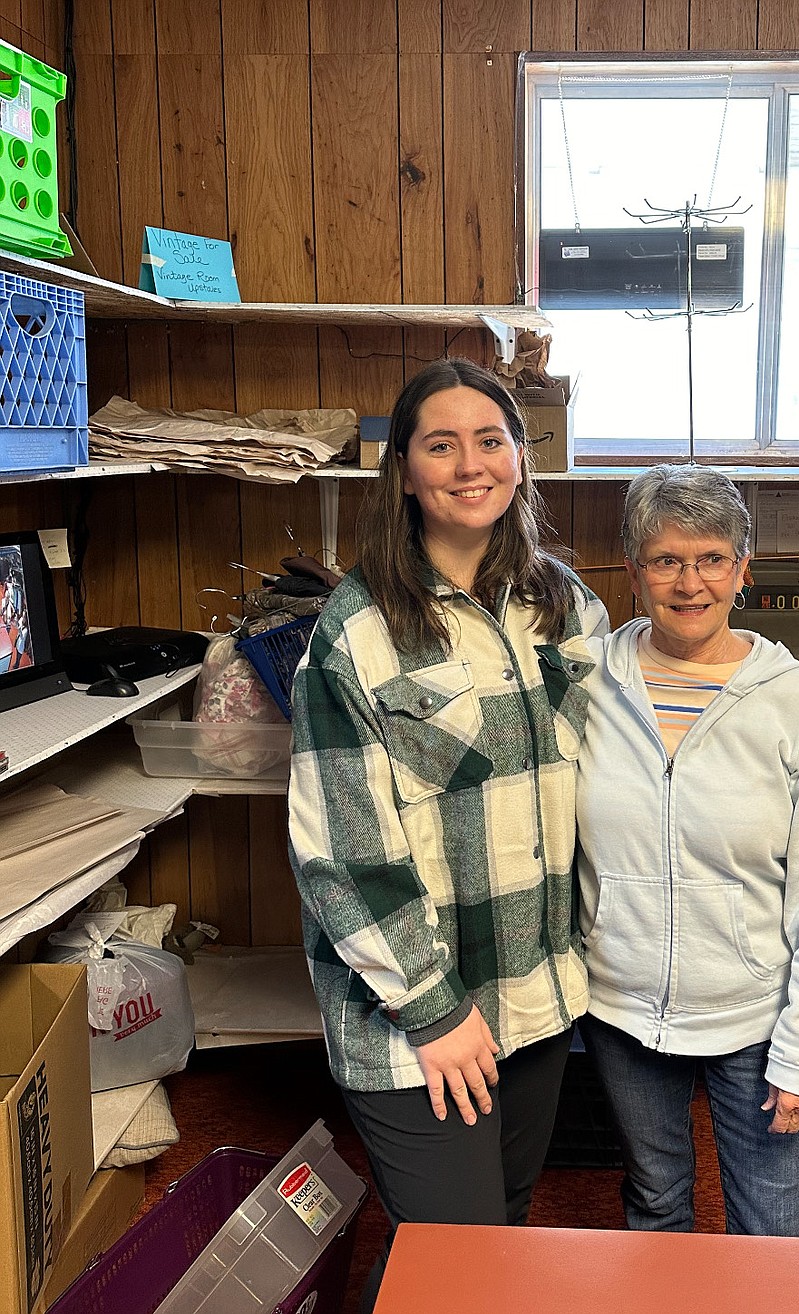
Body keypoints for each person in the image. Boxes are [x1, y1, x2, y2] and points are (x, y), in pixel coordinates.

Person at [287, 357, 608, 1312]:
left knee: (493, 1236)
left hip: (536, 992)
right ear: (405, 471)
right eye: (441, 444)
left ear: (520, 457)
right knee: (457, 1259)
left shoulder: (561, 604)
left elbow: (601, 783)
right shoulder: (359, 630)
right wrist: (432, 1007)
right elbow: (339, 852)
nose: (470, 465)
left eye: (491, 440)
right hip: (418, 1011)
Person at [575, 463, 799, 1237]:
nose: (689, 582)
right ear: (633, 572)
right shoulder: (585, 681)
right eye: (667, 559)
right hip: (622, 1008)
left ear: (742, 568)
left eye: (710, 558)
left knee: (770, 1222)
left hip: (755, 1015)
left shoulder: (794, 700)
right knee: (656, 1203)